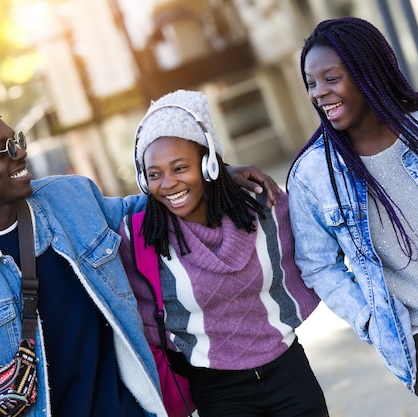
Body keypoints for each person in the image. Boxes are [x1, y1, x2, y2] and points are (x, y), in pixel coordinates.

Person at [0, 97, 280, 417]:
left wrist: (217, 177)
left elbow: (149, 208)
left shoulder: (72, 197)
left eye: (18, 140)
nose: (21, 152)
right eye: (6, 149)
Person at [287, 16, 418, 417]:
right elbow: (317, 265)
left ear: (368, 71)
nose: (320, 93)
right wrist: (369, 319)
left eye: (331, 78)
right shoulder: (314, 174)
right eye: (311, 83)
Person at [118, 89, 327, 417]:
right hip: (217, 391)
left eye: (180, 167)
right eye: (155, 174)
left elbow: (318, 254)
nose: (168, 183)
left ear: (209, 163)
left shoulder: (263, 207)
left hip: (289, 371)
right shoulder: (138, 236)